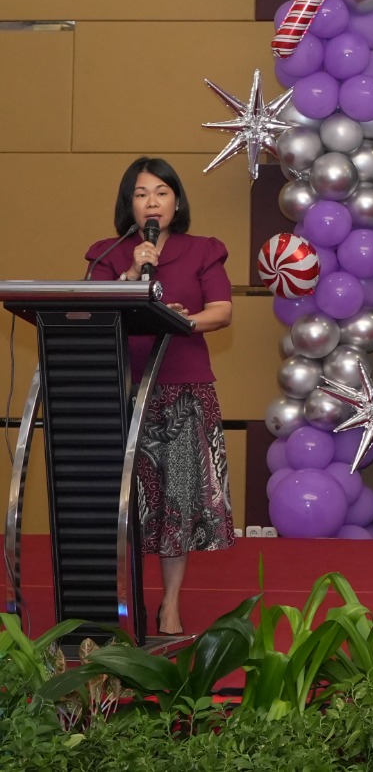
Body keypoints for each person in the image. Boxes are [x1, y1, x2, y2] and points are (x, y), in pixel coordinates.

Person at [84, 157, 235, 636]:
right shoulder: (108, 254)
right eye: (141, 194)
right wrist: (132, 272)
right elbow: (90, 308)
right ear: (128, 204)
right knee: (123, 502)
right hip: (122, 391)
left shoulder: (203, 249)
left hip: (184, 391)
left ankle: (170, 602)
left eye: (162, 192)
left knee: (177, 503)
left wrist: (181, 319)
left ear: (176, 200)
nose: (152, 202)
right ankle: (113, 599)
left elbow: (222, 311)